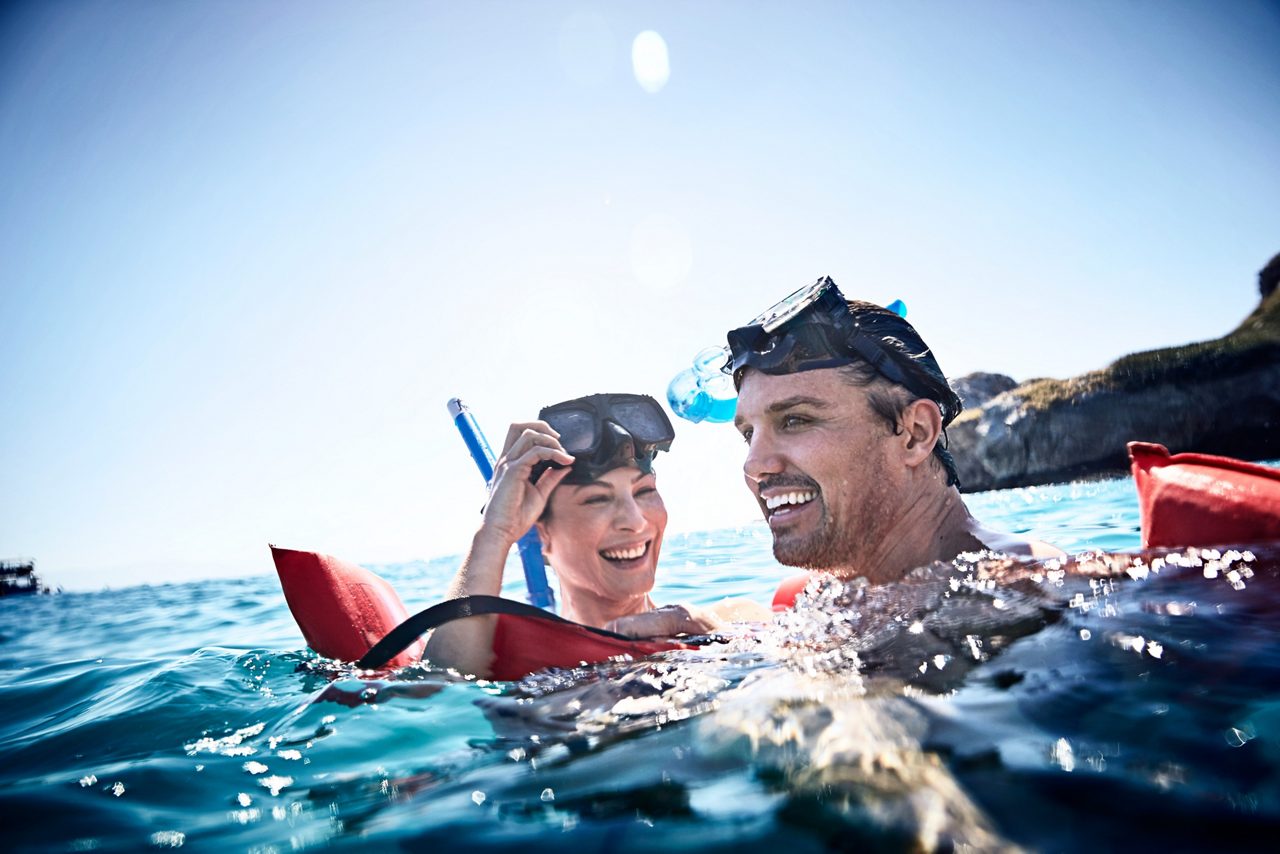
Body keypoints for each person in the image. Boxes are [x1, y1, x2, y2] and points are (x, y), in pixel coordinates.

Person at [725, 276, 1063, 584]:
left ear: (915, 433)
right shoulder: (814, 597)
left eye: (795, 420)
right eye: (748, 434)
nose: (753, 466)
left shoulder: (1035, 588)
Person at [423, 392, 765, 677]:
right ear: (539, 536)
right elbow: (440, 697)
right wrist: (494, 532)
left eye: (644, 491)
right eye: (597, 499)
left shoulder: (735, 622)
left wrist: (717, 645)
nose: (634, 520)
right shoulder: (507, 662)